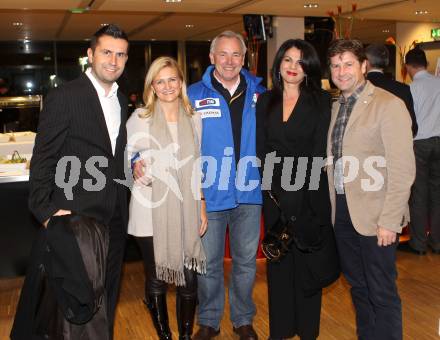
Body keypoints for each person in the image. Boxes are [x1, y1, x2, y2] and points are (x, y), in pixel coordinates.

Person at [11, 24, 130, 339]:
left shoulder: (121, 101)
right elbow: (43, 159)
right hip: (77, 220)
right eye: (107, 52)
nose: (113, 61)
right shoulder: (65, 96)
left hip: (115, 219)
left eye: (121, 54)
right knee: (74, 312)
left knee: (106, 301)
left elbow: (113, 156)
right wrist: (46, 212)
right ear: (90, 55)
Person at [327, 39, 415, 340]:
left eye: (348, 64)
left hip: (377, 217)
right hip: (343, 212)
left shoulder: (388, 105)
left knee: (382, 291)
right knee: (359, 288)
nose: (342, 71)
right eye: (336, 65)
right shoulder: (336, 106)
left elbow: (403, 170)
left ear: (364, 66)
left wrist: (390, 220)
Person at [188, 31, 265, 340]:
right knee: (208, 265)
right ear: (212, 57)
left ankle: (243, 319)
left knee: (246, 263)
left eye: (236, 55)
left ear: (244, 59)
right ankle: (208, 321)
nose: (230, 61)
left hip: (249, 191)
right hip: (210, 194)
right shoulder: (192, 94)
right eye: (223, 54)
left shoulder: (261, 92)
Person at [256, 39, 335, 340]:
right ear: (278, 64)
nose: (292, 67)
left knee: (306, 265)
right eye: (287, 60)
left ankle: (307, 331)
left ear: (309, 68)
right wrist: (276, 193)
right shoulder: (266, 101)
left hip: (308, 195)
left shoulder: (321, 101)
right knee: (278, 263)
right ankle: (281, 330)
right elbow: (261, 150)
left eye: (300, 61)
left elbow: (317, 153)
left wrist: (297, 197)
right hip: (274, 195)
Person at [127, 56, 208, 340]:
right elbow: (129, 158)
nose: (167, 86)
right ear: (152, 86)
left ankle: (185, 336)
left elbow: (197, 165)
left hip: (187, 207)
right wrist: (135, 165)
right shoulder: (140, 118)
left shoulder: (194, 119)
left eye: (172, 79)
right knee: (157, 278)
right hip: (149, 208)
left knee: (189, 279)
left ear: (181, 82)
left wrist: (202, 206)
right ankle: (165, 336)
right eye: (159, 81)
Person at [401, 48, 440, 255]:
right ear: (426, 63)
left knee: (419, 194)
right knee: (437, 193)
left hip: (420, 144)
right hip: (439, 141)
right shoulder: (439, 82)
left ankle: (418, 243)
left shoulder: (412, 89)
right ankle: (437, 241)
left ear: (407, 67)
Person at [365, 43, 418, 136]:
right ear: (387, 62)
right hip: (396, 144)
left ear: (366, 62)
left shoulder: (359, 88)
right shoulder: (403, 89)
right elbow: (413, 128)